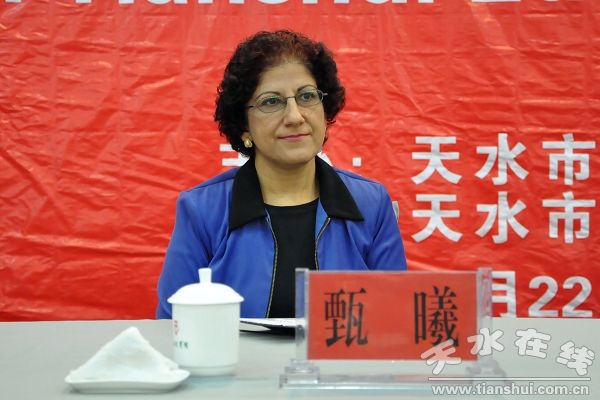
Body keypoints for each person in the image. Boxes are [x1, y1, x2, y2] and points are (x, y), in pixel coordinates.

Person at [157, 30, 406, 319]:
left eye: (307, 96)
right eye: (271, 102)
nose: (295, 116)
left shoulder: (371, 204)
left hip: (345, 352)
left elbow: (394, 319)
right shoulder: (202, 210)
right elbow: (172, 325)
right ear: (244, 126)